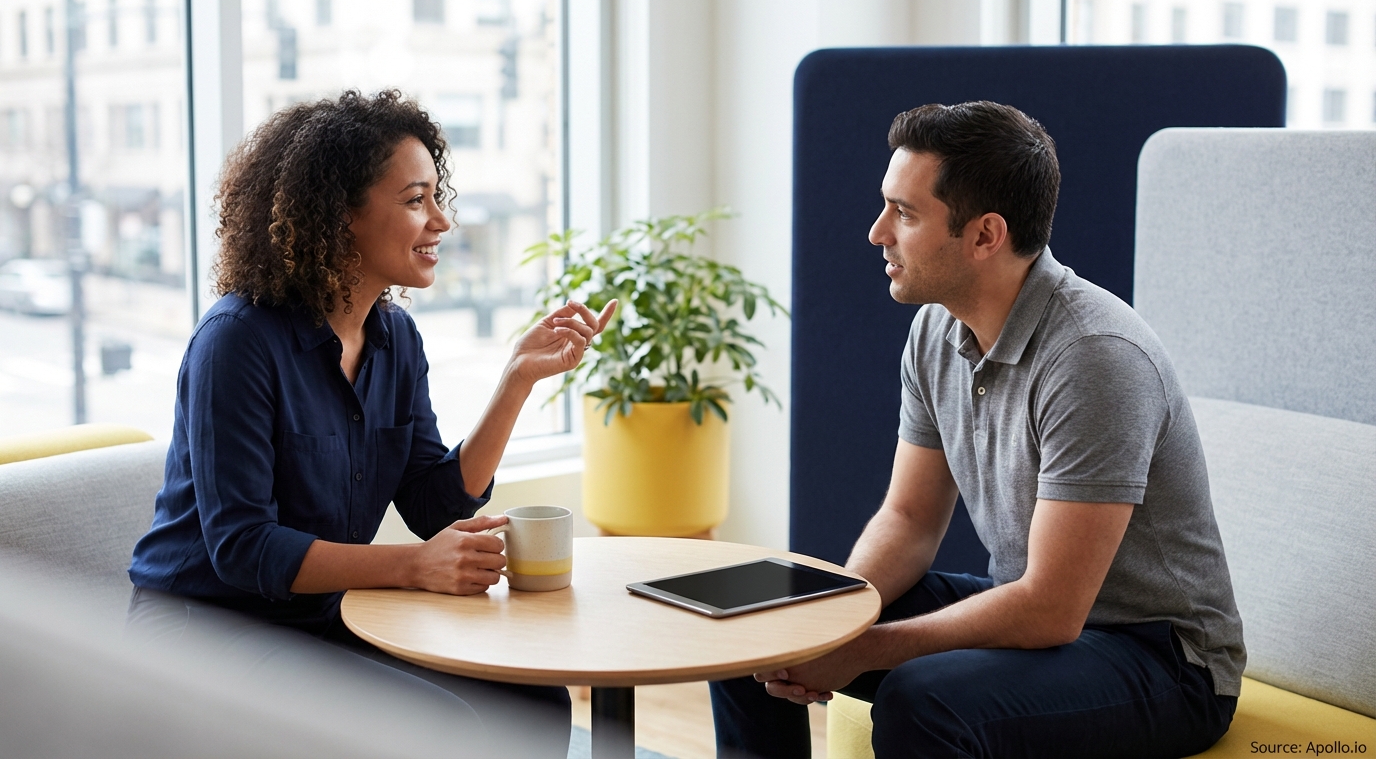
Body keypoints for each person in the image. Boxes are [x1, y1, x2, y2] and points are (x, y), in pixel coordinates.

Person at [709, 101, 1245, 758]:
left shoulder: (1096, 356)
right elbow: (907, 518)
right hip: (1037, 614)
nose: (878, 232)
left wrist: (864, 650)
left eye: (904, 213)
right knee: (757, 626)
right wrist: (829, 628)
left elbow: (1051, 608)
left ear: (986, 235)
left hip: (1163, 659)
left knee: (923, 700)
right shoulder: (936, 330)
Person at [127, 89, 614, 758]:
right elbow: (242, 548)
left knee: (528, 701)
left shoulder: (394, 338)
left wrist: (516, 380)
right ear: (339, 217)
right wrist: (417, 568)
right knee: (434, 724)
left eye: (438, 197)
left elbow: (431, 502)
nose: (441, 221)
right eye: (416, 201)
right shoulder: (237, 342)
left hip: (322, 615)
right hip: (206, 628)